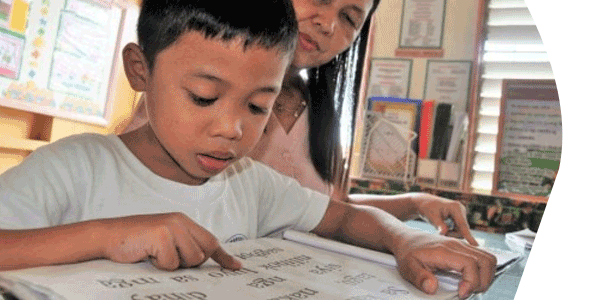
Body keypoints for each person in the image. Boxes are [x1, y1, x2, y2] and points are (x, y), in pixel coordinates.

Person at [0, 1, 495, 299]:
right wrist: (107, 235)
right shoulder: (75, 167)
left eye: (259, 106)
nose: (233, 129)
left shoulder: (250, 183)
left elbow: (343, 220)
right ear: (140, 70)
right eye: (204, 97)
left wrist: (405, 241)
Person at [123, 0, 480, 246]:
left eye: (350, 18)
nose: (327, 24)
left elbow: (327, 208)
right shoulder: (190, 100)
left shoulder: (316, 108)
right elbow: (121, 193)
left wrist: (414, 202)